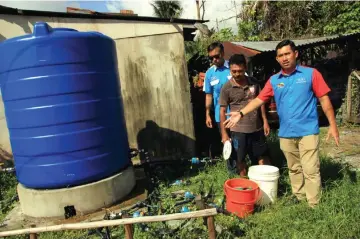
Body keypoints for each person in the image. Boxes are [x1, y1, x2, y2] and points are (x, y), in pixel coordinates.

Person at [224, 40, 339, 207]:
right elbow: (259, 99)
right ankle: (299, 198)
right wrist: (240, 113)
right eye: (280, 55)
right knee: (294, 168)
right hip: (286, 133)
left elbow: (324, 98)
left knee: (310, 170)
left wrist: (333, 125)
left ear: (295, 54)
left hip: (308, 131)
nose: (284, 58)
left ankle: (314, 205)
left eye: (287, 53)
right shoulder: (273, 80)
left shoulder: (311, 74)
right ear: (277, 59)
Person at [219, 54, 271, 177]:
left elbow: (261, 102)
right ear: (230, 70)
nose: (237, 74)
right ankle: (245, 185)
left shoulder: (254, 82)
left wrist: (265, 121)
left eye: (240, 71)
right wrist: (224, 134)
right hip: (238, 131)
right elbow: (222, 111)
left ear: (245, 68)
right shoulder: (226, 88)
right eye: (234, 71)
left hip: (256, 128)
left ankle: (263, 183)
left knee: (262, 156)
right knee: (240, 160)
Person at [203, 42, 237, 171]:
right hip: (220, 115)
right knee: (226, 142)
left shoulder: (234, 68)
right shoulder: (209, 73)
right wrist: (207, 114)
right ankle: (232, 171)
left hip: (236, 113)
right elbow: (208, 95)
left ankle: (243, 167)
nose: (214, 60)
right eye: (211, 58)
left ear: (222, 53)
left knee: (240, 142)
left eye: (216, 56)